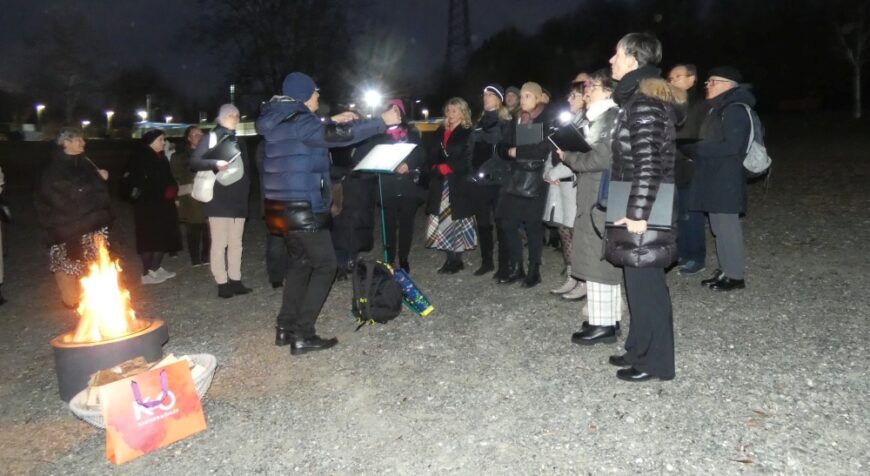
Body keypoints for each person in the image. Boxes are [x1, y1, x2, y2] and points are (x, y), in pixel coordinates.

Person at [256, 71, 401, 354]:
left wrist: (329, 120)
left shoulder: (278, 119)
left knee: (300, 264)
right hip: (303, 207)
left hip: (279, 207)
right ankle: (303, 334)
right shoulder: (301, 121)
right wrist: (380, 121)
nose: (318, 96)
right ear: (303, 95)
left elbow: (308, 133)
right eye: (315, 92)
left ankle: (285, 327)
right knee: (326, 265)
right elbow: (340, 137)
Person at [605, 32, 684, 382]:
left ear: (633, 60)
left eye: (617, 54)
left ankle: (657, 363)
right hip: (635, 199)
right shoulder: (636, 99)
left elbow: (649, 165)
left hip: (645, 207)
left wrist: (638, 215)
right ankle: (638, 349)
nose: (611, 60)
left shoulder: (644, 103)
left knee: (647, 285)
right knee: (635, 280)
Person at [558, 69, 623, 344]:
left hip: (600, 196)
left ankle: (604, 325)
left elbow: (601, 158)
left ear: (608, 91)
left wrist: (568, 156)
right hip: (593, 193)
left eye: (593, 86)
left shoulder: (609, 117)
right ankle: (603, 319)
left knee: (599, 260)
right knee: (594, 257)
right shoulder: (598, 117)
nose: (587, 91)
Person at [682, 66, 753, 292]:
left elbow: (732, 146)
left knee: (727, 226)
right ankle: (726, 269)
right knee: (718, 226)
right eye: (708, 82)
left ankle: (735, 275)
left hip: (727, 177)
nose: (708, 85)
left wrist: (695, 149)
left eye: (712, 82)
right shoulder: (717, 108)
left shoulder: (734, 110)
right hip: (714, 175)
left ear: (728, 84)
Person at [33, 127, 113, 308]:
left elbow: (98, 191)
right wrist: (87, 196)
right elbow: (55, 197)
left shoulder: (85, 162)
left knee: (94, 262)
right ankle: (72, 303)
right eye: (78, 140)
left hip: (91, 223)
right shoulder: (52, 168)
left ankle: (93, 299)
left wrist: (101, 179)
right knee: (67, 265)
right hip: (66, 226)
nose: (83, 143)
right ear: (66, 143)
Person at [352, 99, 425, 272]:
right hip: (387, 188)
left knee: (407, 224)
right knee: (389, 226)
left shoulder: (412, 133)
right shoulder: (377, 135)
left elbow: (421, 154)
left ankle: (404, 258)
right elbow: (360, 159)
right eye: (392, 111)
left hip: (408, 187)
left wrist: (408, 164)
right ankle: (390, 260)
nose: (396, 114)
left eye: (398, 111)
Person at [191, 104, 253, 298]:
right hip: (219, 197)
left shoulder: (238, 138)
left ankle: (235, 279)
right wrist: (215, 163)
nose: (236, 119)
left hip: (238, 198)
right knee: (220, 242)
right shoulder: (211, 137)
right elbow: (194, 162)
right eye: (233, 116)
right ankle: (222, 282)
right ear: (224, 116)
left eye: (237, 116)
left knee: (236, 242)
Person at [496, 82, 553, 288]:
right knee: (507, 224)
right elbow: (501, 148)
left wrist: (517, 152)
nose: (523, 100)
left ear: (538, 98)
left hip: (535, 179)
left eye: (528, 96)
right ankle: (516, 266)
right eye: (522, 96)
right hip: (514, 178)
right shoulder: (515, 120)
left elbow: (542, 150)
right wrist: (509, 151)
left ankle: (534, 270)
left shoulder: (545, 119)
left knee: (532, 227)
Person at [425, 97, 477, 274]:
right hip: (440, 182)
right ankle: (449, 258)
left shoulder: (468, 132)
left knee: (457, 220)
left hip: (458, 183)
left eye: (454, 111)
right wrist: (435, 166)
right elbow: (431, 152)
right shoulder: (440, 131)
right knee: (443, 220)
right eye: (448, 110)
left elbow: (469, 157)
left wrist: (450, 167)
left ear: (463, 112)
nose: (451, 114)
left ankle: (457, 260)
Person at [668, 63, 710, 275]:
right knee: (676, 213)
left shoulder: (700, 105)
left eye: (677, 76)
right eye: (670, 77)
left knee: (691, 212)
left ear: (692, 78)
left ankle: (696, 256)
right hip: (671, 165)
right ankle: (682, 252)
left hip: (690, 164)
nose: (672, 80)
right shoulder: (671, 104)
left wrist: (691, 154)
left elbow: (699, 135)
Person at [546, 80, 585, 300]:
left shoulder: (585, 122)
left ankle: (583, 279)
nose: (569, 100)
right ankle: (571, 275)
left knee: (575, 230)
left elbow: (578, 153)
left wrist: (553, 173)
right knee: (563, 228)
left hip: (572, 181)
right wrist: (548, 169)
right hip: (560, 182)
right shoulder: (567, 121)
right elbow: (553, 149)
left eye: (574, 96)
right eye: (569, 95)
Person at [129, 130, 182, 285]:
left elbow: (167, 177)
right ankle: (146, 273)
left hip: (163, 205)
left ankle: (156, 268)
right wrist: (163, 191)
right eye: (160, 140)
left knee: (162, 237)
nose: (163, 142)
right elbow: (143, 182)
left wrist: (172, 189)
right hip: (148, 207)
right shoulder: (142, 157)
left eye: (163, 139)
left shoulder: (160, 157)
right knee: (149, 239)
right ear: (150, 141)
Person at [468, 84, 511, 277]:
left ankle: (504, 265)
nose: (486, 98)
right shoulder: (478, 121)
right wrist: (471, 171)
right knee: (483, 223)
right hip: (479, 181)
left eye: (491, 95)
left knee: (501, 223)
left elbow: (501, 148)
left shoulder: (506, 122)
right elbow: (470, 149)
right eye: (484, 95)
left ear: (499, 99)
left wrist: (486, 168)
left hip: (498, 180)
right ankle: (487, 262)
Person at [170, 125, 211, 267]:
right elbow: (174, 178)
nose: (199, 137)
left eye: (201, 134)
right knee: (193, 227)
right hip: (190, 196)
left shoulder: (210, 154)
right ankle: (195, 258)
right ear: (188, 138)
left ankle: (206, 255)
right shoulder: (179, 157)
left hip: (209, 195)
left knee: (208, 227)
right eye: (195, 134)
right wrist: (176, 198)